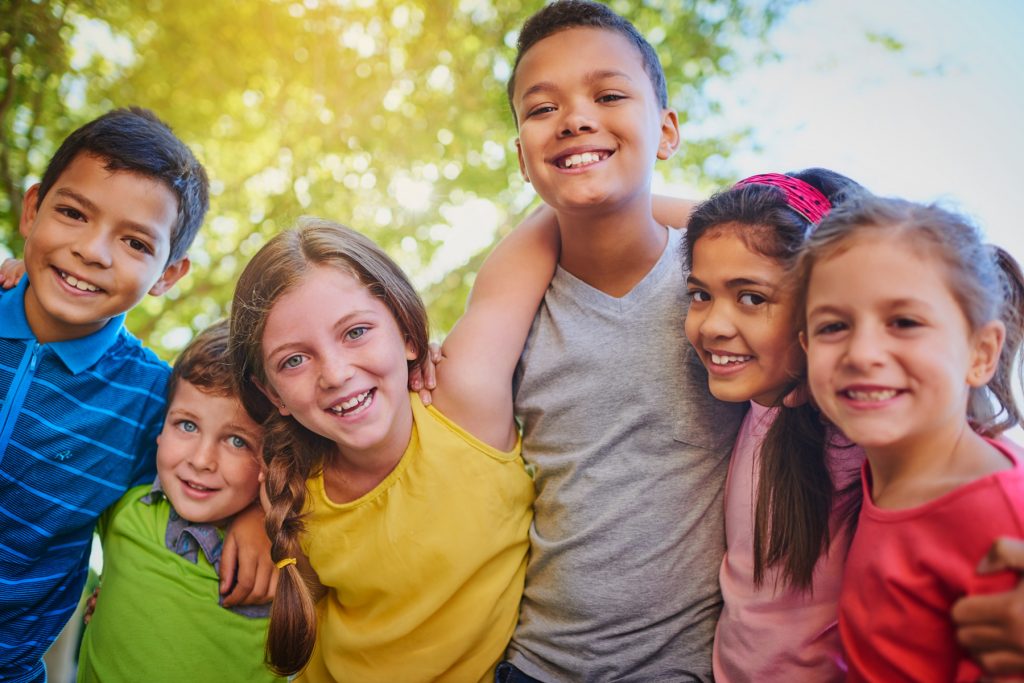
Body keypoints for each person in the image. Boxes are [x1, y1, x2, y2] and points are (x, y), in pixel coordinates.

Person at [501, 2, 746, 680]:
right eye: (542, 108)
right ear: (523, 157)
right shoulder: (513, 317)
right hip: (534, 664)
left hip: (689, 668)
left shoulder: (722, 289)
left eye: (608, 95)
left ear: (666, 132)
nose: (576, 118)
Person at [0, 107, 272, 683]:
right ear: (32, 211)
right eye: (72, 213)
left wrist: (257, 513)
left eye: (134, 242)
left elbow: (207, 463)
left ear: (168, 275)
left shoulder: (151, 398)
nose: (94, 251)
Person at [228, 217, 542, 682]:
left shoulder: (462, 403)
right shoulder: (298, 494)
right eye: (294, 359)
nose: (334, 373)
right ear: (273, 395)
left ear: (409, 334)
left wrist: (694, 222)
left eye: (356, 332)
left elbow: (556, 219)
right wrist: (249, 517)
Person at [798, 194, 1024, 681]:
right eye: (833, 326)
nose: (863, 352)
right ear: (806, 346)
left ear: (981, 353)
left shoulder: (1001, 523)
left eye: (904, 322)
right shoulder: (887, 467)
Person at [682, 170, 863, 681]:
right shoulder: (765, 394)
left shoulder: (852, 426)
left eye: (752, 298)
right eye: (699, 294)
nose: (714, 325)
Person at [76, 320, 282, 682]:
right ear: (161, 429)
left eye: (237, 441)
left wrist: (265, 518)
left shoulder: (287, 549)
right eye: (187, 425)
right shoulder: (126, 507)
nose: (201, 460)